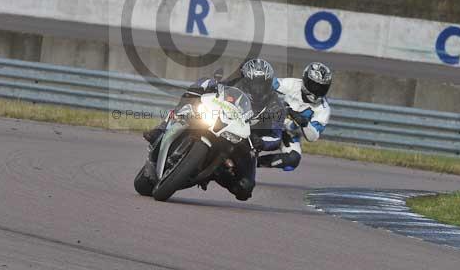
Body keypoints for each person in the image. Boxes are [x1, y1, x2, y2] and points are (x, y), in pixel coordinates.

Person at [142, 59, 285, 200]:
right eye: (253, 83)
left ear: (269, 83)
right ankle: (161, 129)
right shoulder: (236, 84)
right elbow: (218, 87)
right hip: (219, 121)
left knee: (245, 189)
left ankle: (216, 172)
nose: (257, 88)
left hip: (245, 141)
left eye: (262, 84)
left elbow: (276, 136)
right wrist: (209, 85)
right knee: (190, 103)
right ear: (246, 80)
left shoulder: (276, 106)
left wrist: (261, 142)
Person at [258, 62, 333, 171]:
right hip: (267, 121)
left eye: (322, 88)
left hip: (288, 133)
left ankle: (255, 163)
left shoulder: (323, 109)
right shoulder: (292, 84)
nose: (317, 91)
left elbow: (313, 137)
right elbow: (268, 84)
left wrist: (305, 123)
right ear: (305, 80)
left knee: (292, 160)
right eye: (314, 85)